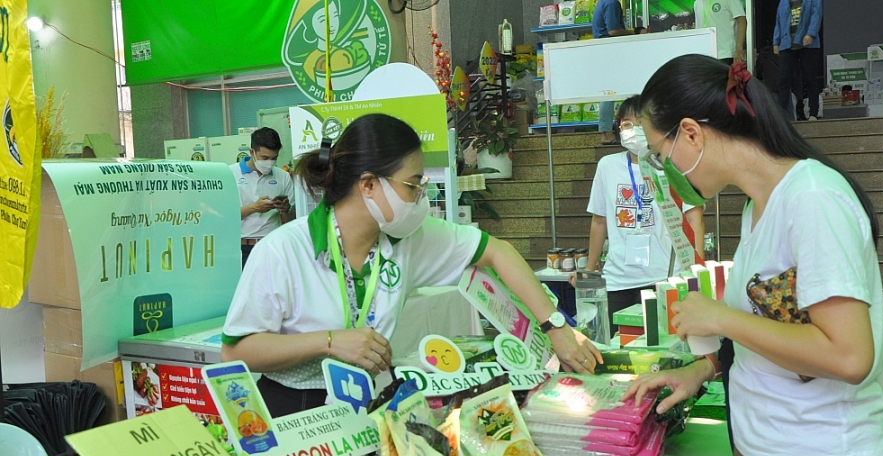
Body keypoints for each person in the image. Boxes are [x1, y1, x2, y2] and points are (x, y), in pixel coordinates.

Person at [626, 55, 883, 456]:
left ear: (690, 133)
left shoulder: (813, 199)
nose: (666, 173)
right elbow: (776, 325)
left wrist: (721, 318)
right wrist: (703, 370)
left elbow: (848, 355)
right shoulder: (759, 207)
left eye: (661, 156)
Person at [221, 114, 602, 417]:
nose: (420, 198)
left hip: (372, 401)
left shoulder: (407, 239)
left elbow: (497, 252)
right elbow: (237, 352)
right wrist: (330, 342)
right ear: (368, 184)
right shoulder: (283, 250)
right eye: (413, 185)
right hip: (298, 410)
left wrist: (556, 327)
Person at [584, 95, 704, 334]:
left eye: (640, 124)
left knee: (664, 344)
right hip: (618, 279)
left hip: (664, 277)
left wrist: (695, 272)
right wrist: (590, 269)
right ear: (618, 128)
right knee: (622, 345)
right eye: (627, 124)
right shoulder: (607, 166)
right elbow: (599, 221)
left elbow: (694, 220)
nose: (634, 130)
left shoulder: (670, 165)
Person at [231, 127, 294, 267]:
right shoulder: (230, 174)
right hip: (242, 249)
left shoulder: (283, 176)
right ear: (252, 152)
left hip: (272, 246)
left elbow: (292, 220)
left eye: (274, 158)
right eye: (265, 158)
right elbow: (223, 218)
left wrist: (286, 209)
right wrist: (253, 208)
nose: (269, 163)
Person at [592, 0, 640, 145]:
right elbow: (613, 31)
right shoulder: (612, 2)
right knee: (610, 91)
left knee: (610, 89)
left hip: (605, 49)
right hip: (610, 49)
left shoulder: (603, 2)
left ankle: (610, 130)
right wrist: (634, 32)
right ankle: (607, 133)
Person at [774, 0, 822, 121]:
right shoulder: (783, 2)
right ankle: (781, 115)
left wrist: (811, 34)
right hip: (787, 44)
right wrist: (776, 41)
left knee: (810, 79)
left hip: (808, 45)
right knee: (784, 79)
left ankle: (813, 113)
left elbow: (816, 15)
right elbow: (778, 21)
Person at [693, 0, 747, 65]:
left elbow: (742, 20)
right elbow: (698, 29)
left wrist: (739, 49)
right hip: (705, 56)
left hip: (725, 54)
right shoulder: (697, 3)